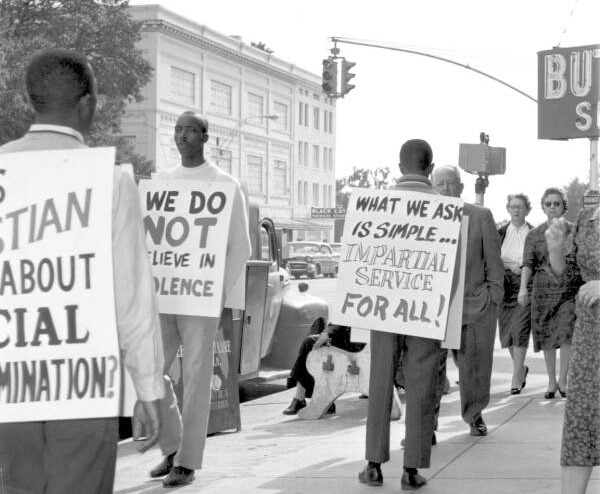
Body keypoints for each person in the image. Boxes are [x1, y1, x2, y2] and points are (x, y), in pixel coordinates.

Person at [0, 49, 165, 493]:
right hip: (83, 385)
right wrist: (147, 388)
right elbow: (131, 297)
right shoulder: (109, 181)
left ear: (29, 99)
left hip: (7, 384)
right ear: (88, 103)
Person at [149, 111, 252, 487]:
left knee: (195, 376)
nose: (182, 137)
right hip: (163, 295)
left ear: (205, 137)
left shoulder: (225, 185)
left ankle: (187, 461)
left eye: (191, 131)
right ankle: (171, 444)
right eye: (178, 130)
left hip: (201, 300)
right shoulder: (161, 182)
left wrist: (215, 291)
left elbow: (240, 246)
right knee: (150, 370)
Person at [357, 139, 441, 491]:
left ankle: (373, 464)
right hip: (425, 307)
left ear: (399, 166)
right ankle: (411, 470)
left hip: (383, 305)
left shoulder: (376, 206)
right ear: (430, 168)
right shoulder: (445, 209)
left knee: (380, 381)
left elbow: (360, 259)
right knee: (422, 385)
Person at [431, 165, 504, 437]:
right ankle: (427, 424)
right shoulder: (423, 218)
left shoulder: (480, 216)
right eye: (440, 184)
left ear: (461, 187)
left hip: (474, 305)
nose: (446, 189)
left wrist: (492, 296)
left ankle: (474, 415)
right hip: (433, 310)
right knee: (429, 369)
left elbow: (494, 264)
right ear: (432, 187)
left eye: (451, 183)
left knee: (474, 365)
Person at [545, 205, 599, 494]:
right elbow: (568, 278)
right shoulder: (586, 218)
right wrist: (555, 250)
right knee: (580, 422)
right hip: (590, 336)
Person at [518, 188, 580, 399]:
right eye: (548, 204)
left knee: (566, 333)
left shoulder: (574, 230)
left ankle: (564, 380)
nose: (553, 207)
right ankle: (551, 381)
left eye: (557, 203)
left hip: (569, 289)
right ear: (543, 207)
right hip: (543, 290)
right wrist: (522, 288)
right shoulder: (534, 234)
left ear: (564, 206)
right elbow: (527, 263)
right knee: (547, 336)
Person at [283, 303, 362, 415]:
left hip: (354, 348)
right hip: (346, 341)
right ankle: (309, 398)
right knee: (310, 344)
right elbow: (344, 317)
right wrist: (327, 333)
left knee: (311, 345)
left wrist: (328, 334)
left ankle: (301, 396)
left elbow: (347, 319)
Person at [497, 194, 533, 394]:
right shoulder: (500, 232)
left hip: (526, 285)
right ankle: (521, 368)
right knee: (507, 333)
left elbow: (538, 257)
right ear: (508, 209)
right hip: (505, 284)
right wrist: (509, 265)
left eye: (520, 207)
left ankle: (516, 375)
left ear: (527, 209)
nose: (516, 210)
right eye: (512, 207)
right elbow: (493, 257)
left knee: (519, 329)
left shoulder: (534, 232)